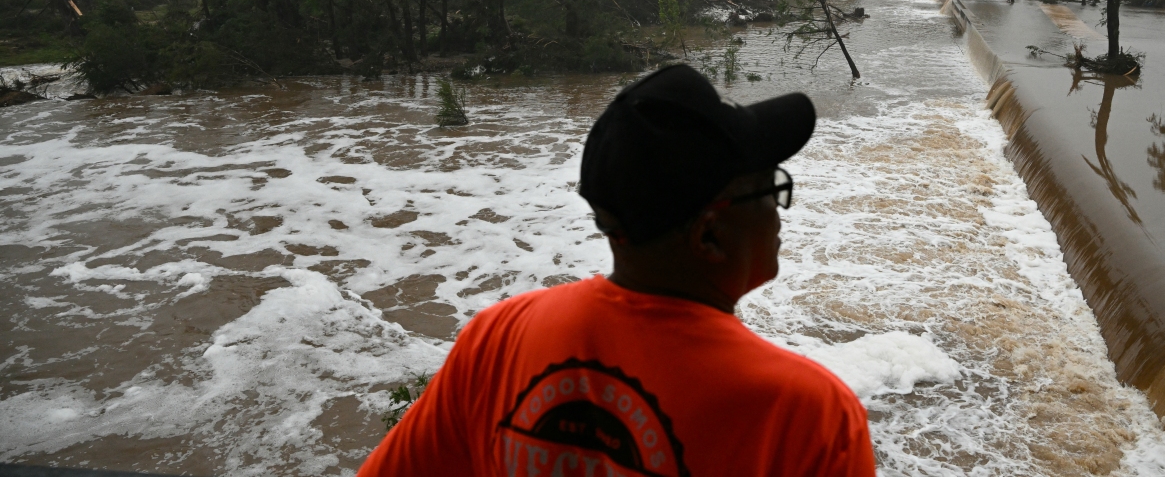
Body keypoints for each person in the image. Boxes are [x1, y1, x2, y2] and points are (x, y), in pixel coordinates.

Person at [359, 64, 876, 477]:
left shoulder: (499, 338)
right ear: (709, 236)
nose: (779, 213)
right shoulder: (806, 415)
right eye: (772, 188)